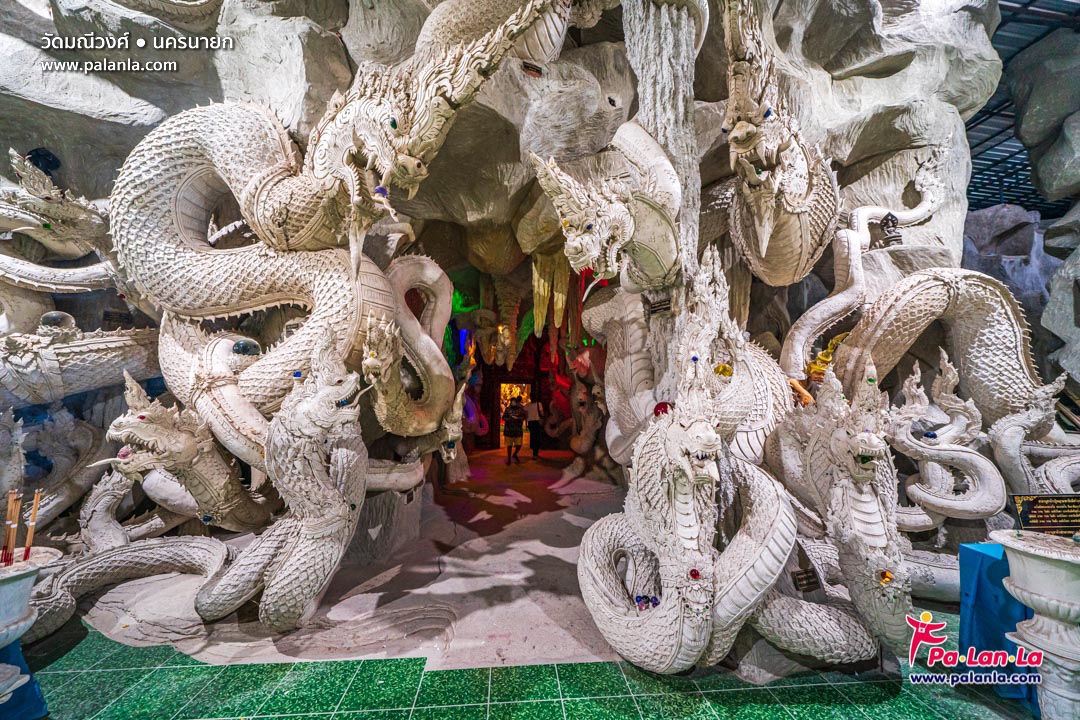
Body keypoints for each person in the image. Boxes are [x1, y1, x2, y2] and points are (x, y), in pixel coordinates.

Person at [502, 395, 527, 465]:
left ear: (516, 402)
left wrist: (518, 418)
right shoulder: (507, 409)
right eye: (512, 402)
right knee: (509, 445)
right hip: (509, 429)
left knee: (519, 444)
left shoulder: (520, 409)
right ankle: (509, 459)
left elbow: (524, 417)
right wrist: (509, 419)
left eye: (514, 402)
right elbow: (503, 417)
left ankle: (515, 454)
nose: (513, 403)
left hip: (517, 429)